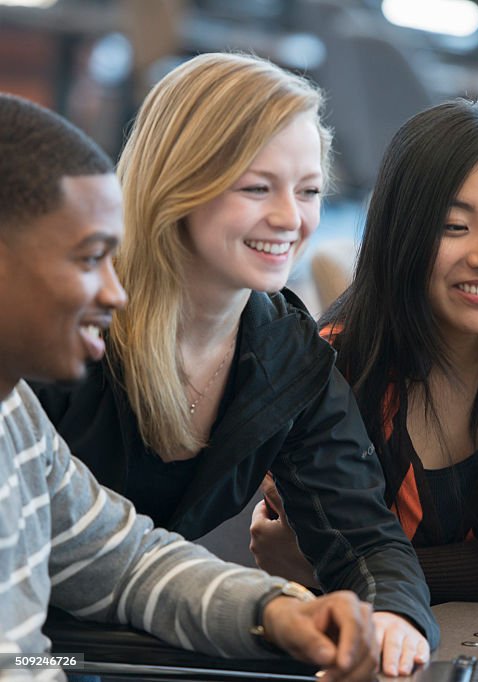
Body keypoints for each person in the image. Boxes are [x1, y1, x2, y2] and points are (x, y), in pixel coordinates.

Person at [30, 53, 436, 674]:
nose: (290, 218)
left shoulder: (283, 348)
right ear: (178, 183)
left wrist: (392, 615)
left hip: (144, 636)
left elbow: (361, 536)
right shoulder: (60, 330)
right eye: (256, 187)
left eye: (309, 191)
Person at [250, 100, 478, 604]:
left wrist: (337, 568)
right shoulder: (332, 369)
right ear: (402, 232)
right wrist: (347, 569)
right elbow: (333, 568)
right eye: (453, 226)